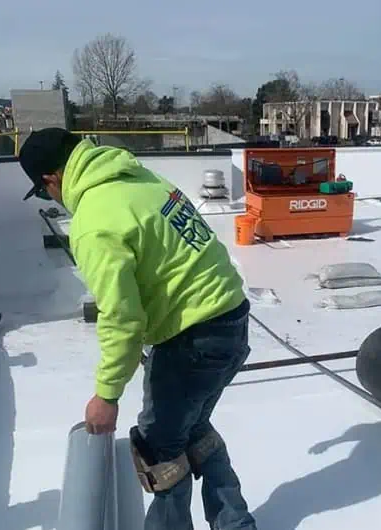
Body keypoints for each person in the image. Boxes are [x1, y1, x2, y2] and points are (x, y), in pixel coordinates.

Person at [18, 128, 257, 530]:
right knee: (194, 427)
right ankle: (235, 523)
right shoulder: (140, 177)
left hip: (192, 341)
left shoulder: (94, 221)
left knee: (159, 452)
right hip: (232, 322)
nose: (52, 200)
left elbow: (122, 318)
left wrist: (106, 394)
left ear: (51, 180)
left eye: (45, 194)